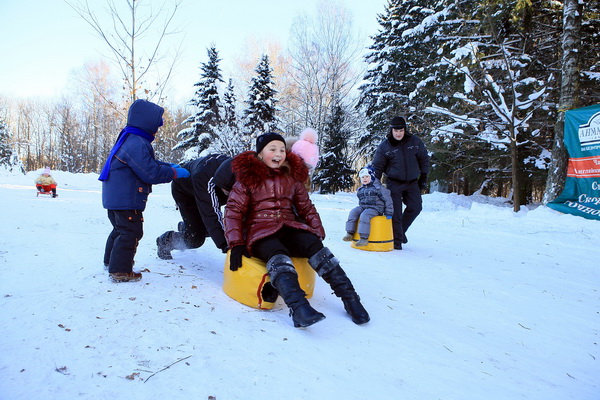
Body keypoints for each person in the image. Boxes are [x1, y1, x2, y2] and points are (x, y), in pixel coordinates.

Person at [224, 132, 370, 328]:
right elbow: (233, 211)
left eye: (282, 150)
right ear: (260, 154)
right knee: (278, 255)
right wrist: (236, 243)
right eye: (272, 149)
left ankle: (351, 299)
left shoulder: (291, 176)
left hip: (288, 225)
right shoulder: (247, 179)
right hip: (260, 231)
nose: (278, 154)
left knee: (317, 248)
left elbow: (305, 206)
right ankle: (299, 308)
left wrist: (317, 231)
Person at [99, 99, 190, 283]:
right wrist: (173, 173)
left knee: (119, 229)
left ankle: (111, 263)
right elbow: (150, 172)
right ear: (147, 122)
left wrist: (168, 165)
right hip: (126, 199)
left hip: (116, 198)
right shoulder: (137, 143)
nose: (160, 126)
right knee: (130, 232)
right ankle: (121, 271)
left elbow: (147, 164)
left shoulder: (130, 139)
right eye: (158, 122)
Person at [156, 154, 232, 260]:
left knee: (214, 228)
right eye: (228, 191)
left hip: (204, 191)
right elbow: (210, 214)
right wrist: (226, 246)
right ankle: (166, 240)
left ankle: (188, 226)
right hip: (185, 191)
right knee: (196, 239)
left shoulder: (240, 174)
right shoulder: (205, 176)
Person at [372, 116, 430, 250]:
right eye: (396, 131)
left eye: (401, 130)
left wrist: (423, 177)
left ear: (405, 130)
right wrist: (375, 185)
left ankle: (400, 232)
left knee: (416, 207)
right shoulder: (385, 146)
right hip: (394, 183)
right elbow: (378, 167)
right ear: (391, 130)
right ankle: (396, 242)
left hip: (412, 182)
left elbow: (424, 159)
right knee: (396, 213)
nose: (398, 133)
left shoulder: (415, 142)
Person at [343, 167, 393, 246]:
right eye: (362, 177)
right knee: (353, 212)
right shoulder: (361, 189)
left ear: (372, 176)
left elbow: (388, 200)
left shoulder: (379, 188)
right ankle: (350, 233)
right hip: (364, 207)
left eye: (367, 176)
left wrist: (389, 212)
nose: (364, 179)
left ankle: (364, 238)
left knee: (365, 215)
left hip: (376, 208)